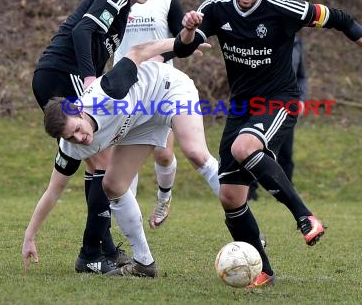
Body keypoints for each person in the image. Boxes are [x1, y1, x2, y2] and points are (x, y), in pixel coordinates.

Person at [173, 0, 362, 287]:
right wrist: (188, 30)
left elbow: (342, 19)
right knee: (230, 196)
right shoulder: (214, 9)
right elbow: (185, 49)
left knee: (245, 147)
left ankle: (305, 217)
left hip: (280, 100)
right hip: (241, 107)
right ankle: (264, 271)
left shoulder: (283, 9)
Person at [22, 39, 220, 278]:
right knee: (113, 185)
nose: (80, 138)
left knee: (194, 152)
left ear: (77, 110)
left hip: (166, 88)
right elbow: (53, 191)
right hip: (142, 119)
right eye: (71, 137)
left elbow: (138, 51)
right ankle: (144, 264)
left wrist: (180, 44)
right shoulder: (70, 148)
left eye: (77, 129)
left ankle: (241, 217)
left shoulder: (105, 92)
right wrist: (29, 235)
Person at [29, 0, 172, 273]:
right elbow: (82, 31)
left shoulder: (124, 11)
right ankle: (94, 253)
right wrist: (89, 75)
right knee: (103, 161)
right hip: (62, 73)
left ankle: (99, 251)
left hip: (55, 75)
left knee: (96, 159)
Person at [114, 0, 219, 229]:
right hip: (125, 88)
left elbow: (182, 41)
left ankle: (164, 197)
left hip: (162, 87)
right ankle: (130, 225)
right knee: (126, 158)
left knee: (163, 153)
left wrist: (162, 55)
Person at [248, 35, 306, 200]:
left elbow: (301, 76)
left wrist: (301, 99)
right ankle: (250, 191)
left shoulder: (297, 43)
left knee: (286, 153)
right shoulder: (265, 38)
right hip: (261, 102)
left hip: (286, 104)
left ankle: (287, 193)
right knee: (254, 147)